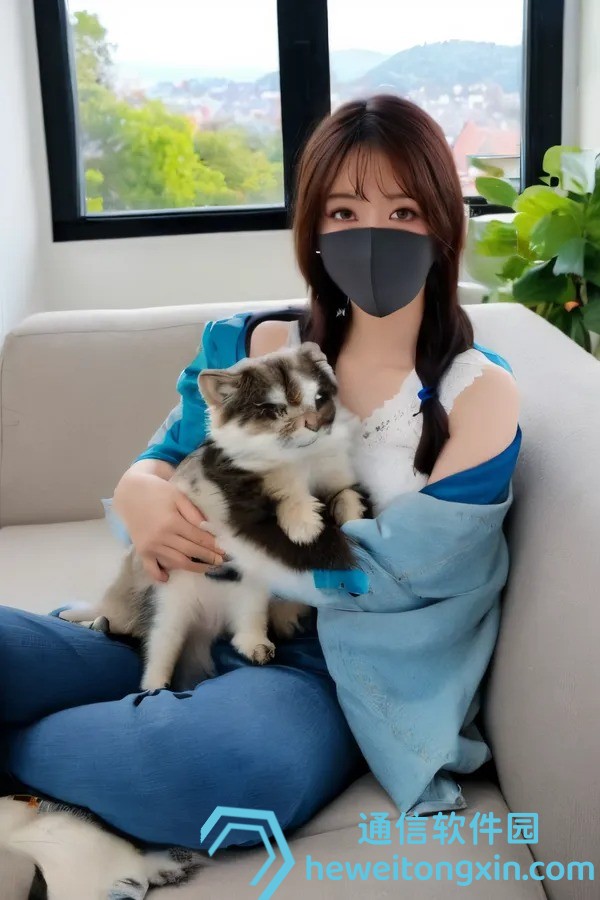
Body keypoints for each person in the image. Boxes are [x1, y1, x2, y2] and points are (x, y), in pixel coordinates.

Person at [0, 95, 520, 850]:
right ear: (313, 231)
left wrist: (225, 533)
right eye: (343, 212)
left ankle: (22, 747)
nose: (373, 234)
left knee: (222, 769)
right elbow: (166, 456)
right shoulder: (256, 344)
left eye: (403, 211)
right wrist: (142, 491)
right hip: (170, 616)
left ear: (443, 223)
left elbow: (398, 577)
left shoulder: (477, 394)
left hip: (321, 673)